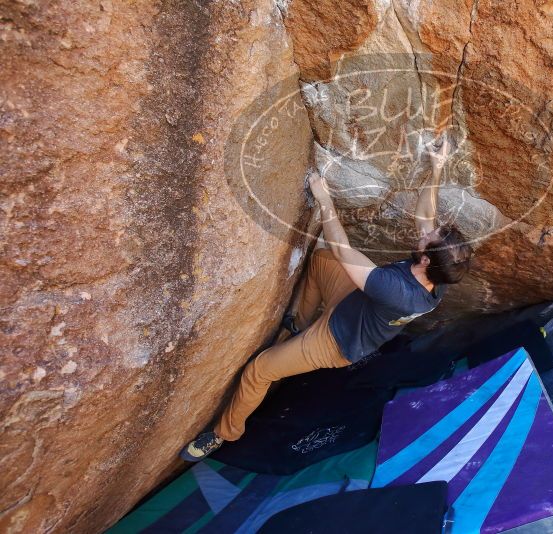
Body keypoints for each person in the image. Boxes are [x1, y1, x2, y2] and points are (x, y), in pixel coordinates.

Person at [180, 137, 473, 461]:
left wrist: (324, 200)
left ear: (426, 260)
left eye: (429, 239)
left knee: (259, 371)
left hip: (337, 340)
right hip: (356, 304)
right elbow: (424, 215)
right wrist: (436, 167)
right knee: (320, 262)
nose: (425, 232)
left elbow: (343, 248)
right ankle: (298, 324)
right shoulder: (440, 278)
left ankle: (224, 434)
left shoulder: (396, 290)